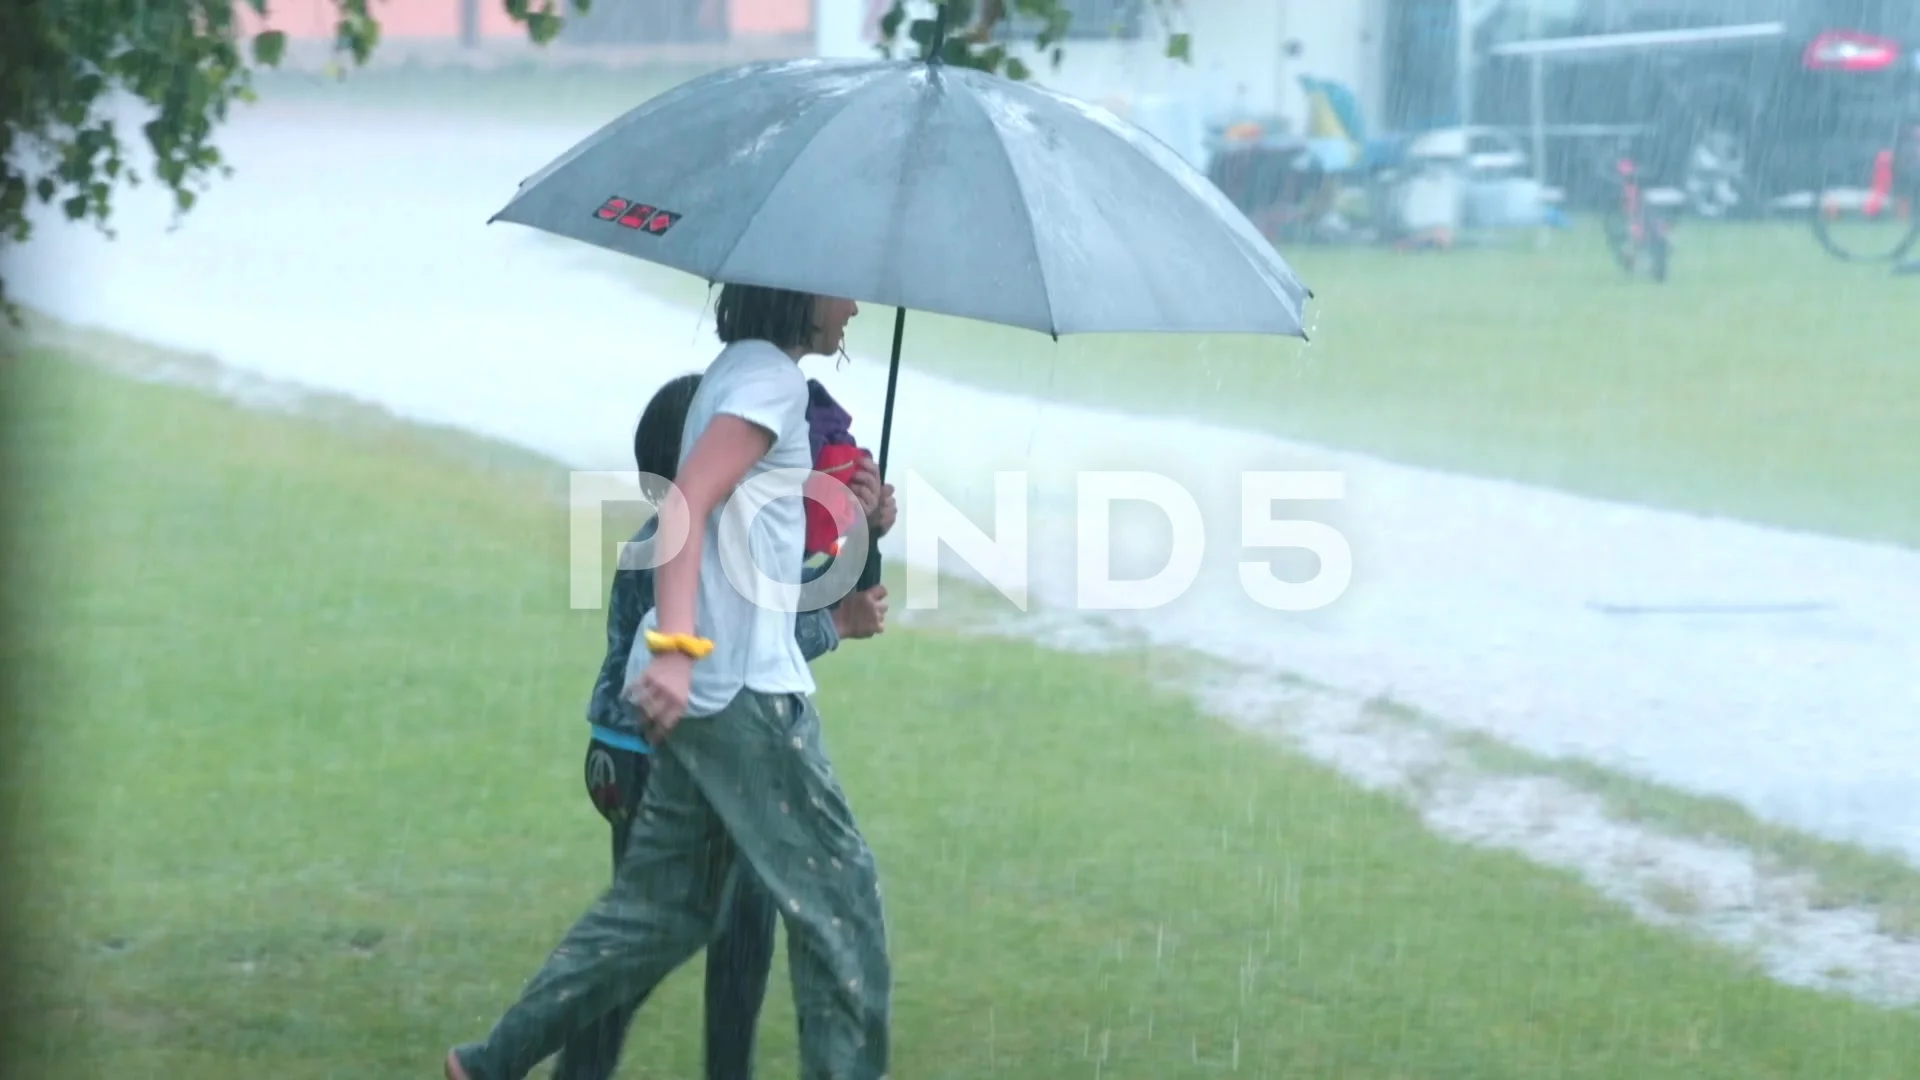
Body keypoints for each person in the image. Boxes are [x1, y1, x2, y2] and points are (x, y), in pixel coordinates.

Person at [446, 283, 896, 1080]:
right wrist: (677, 647)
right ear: (794, 294)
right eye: (838, 291)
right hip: (745, 698)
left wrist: (865, 524)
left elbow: (744, 538)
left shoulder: (737, 372)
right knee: (842, 909)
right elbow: (687, 505)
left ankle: (489, 1063)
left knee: (664, 911)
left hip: (713, 703)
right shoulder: (769, 383)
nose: (853, 307)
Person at [557, 371, 893, 1080]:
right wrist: (835, 624)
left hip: (623, 759)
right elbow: (750, 647)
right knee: (726, 943)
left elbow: (803, 586)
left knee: (643, 940)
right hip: (681, 757)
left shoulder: (672, 539)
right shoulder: (696, 552)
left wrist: (866, 531)